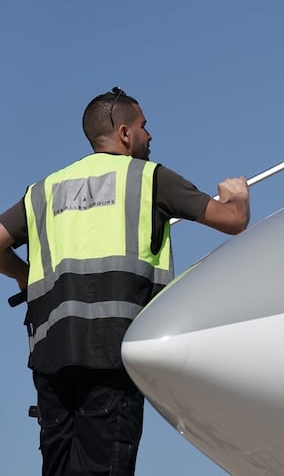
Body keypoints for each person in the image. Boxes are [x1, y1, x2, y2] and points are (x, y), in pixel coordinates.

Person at [0, 88, 251, 476]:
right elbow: (232, 221)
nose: (149, 135)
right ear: (123, 134)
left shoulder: (45, 191)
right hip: (111, 359)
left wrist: (23, 276)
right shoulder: (150, 179)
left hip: (51, 364)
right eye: (143, 126)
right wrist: (237, 196)